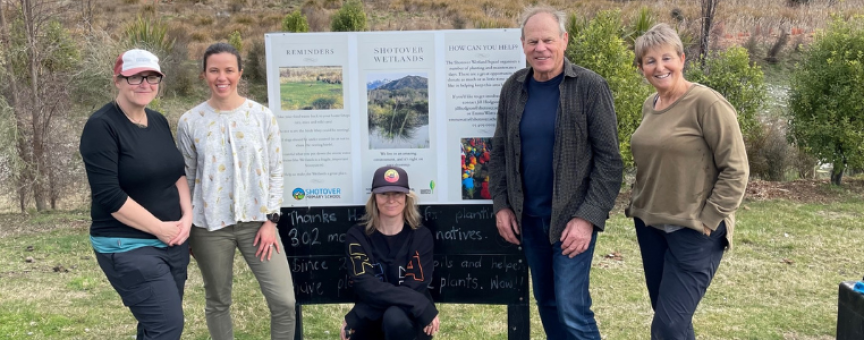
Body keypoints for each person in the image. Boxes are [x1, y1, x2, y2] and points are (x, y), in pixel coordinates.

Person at [488, 6, 623, 340]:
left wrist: (587, 219)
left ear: (564, 40)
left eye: (548, 39)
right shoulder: (513, 88)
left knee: (571, 308)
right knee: (546, 302)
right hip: (529, 220)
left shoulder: (590, 87)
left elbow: (610, 161)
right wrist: (501, 205)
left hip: (571, 221)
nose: (540, 48)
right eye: (533, 41)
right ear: (522, 45)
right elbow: (501, 151)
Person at [626, 23, 749, 340]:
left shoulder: (707, 104)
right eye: (650, 61)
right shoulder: (649, 106)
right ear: (641, 68)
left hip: (695, 231)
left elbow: (736, 169)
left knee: (667, 326)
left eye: (666, 58)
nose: (659, 67)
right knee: (672, 321)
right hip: (652, 227)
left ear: (681, 59)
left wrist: (709, 219)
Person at [177, 42, 296, 340]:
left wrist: (271, 221)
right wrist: (188, 225)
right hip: (209, 226)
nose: (222, 77)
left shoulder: (262, 116)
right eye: (214, 70)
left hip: (258, 224)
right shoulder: (190, 122)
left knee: (284, 301)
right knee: (218, 301)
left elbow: (276, 171)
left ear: (240, 73)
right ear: (204, 74)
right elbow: (187, 178)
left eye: (229, 70)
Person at [80, 49, 192, 339]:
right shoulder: (101, 126)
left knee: (155, 325)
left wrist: (187, 218)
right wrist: (160, 229)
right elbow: (110, 196)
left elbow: (176, 172)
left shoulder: (157, 121)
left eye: (152, 77)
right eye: (135, 77)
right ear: (118, 81)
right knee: (167, 326)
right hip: (127, 245)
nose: (145, 83)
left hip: (172, 241)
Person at [340, 166, 441, 340]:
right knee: (391, 313)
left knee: (394, 316)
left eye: (397, 193)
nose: (391, 200)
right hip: (371, 320)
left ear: (406, 198)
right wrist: (421, 304)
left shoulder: (421, 235)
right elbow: (366, 285)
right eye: (384, 194)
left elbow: (414, 286)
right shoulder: (357, 235)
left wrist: (357, 314)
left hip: (409, 320)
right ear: (374, 198)